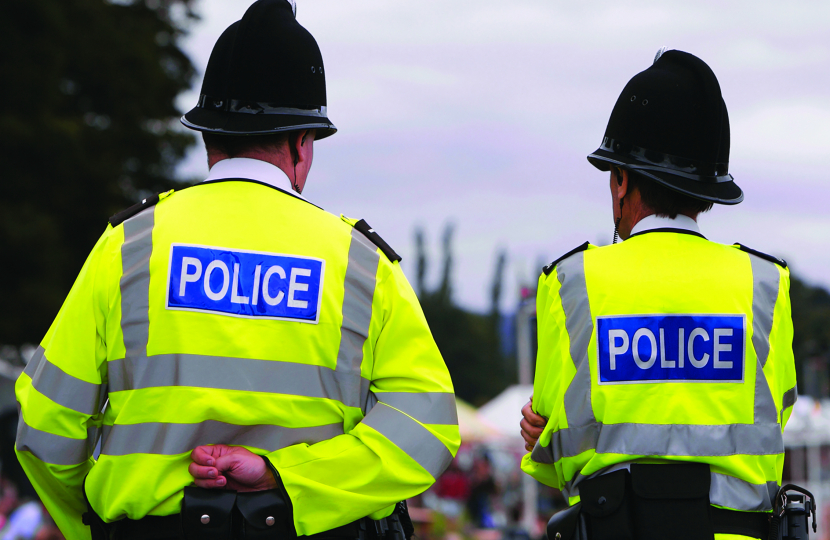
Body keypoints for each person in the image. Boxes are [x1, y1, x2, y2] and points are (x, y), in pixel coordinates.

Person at [15, 1, 460, 539]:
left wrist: (92, 527)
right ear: (303, 141)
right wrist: (287, 480)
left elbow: (44, 426)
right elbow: (426, 429)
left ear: (208, 136)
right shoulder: (361, 263)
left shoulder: (129, 244)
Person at [519, 50, 796, 540]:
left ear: (621, 181)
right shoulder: (767, 284)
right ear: (706, 191)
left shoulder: (570, 281)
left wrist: (545, 441)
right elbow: (775, 412)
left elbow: (551, 445)